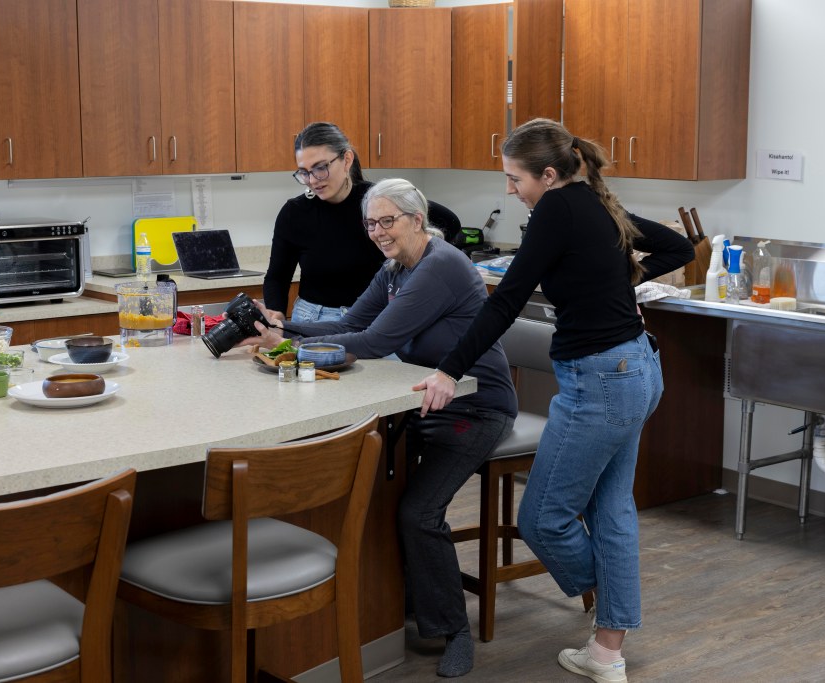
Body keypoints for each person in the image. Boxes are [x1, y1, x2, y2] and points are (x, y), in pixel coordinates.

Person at [415, 118, 694, 683]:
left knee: (542, 519)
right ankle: (607, 652)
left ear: (547, 175)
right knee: (611, 512)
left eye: (514, 178)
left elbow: (504, 302)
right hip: (637, 369)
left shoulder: (556, 212)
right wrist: (623, 284)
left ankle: (614, 607)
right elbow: (677, 246)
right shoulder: (595, 203)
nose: (510, 190)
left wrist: (449, 370)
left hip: (601, 383)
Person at [252, 178, 517, 678]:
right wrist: (281, 328)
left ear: (418, 219)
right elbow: (351, 321)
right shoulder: (396, 268)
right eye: (370, 223)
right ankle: (404, 605)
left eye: (387, 220)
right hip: (424, 404)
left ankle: (454, 630)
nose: (377, 231)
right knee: (379, 490)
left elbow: (375, 341)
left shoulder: (439, 266)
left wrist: (290, 347)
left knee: (419, 511)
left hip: (476, 408)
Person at [262, 122, 460, 323]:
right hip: (312, 318)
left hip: (377, 317)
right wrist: (275, 311)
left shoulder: (379, 202)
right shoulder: (294, 213)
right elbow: (277, 276)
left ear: (347, 159)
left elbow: (449, 222)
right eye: (304, 172)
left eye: (320, 168)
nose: (313, 180)